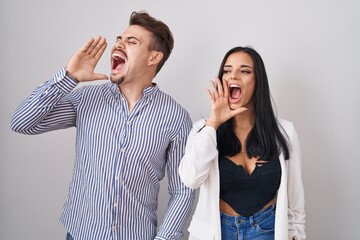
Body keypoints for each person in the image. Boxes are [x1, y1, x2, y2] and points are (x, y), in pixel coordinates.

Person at [11, 11, 195, 240]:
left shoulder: (175, 118)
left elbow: (182, 190)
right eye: (119, 39)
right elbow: (22, 123)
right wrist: (69, 77)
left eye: (131, 41)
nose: (118, 44)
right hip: (82, 234)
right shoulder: (86, 98)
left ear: (153, 58)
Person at [178, 46, 306, 240]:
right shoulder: (202, 130)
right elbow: (190, 178)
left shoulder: (285, 132)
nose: (233, 76)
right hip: (219, 231)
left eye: (244, 71)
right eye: (227, 71)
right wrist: (214, 123)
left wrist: (297, 236)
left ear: (258, 82)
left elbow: (295, 204)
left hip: (267, 230)